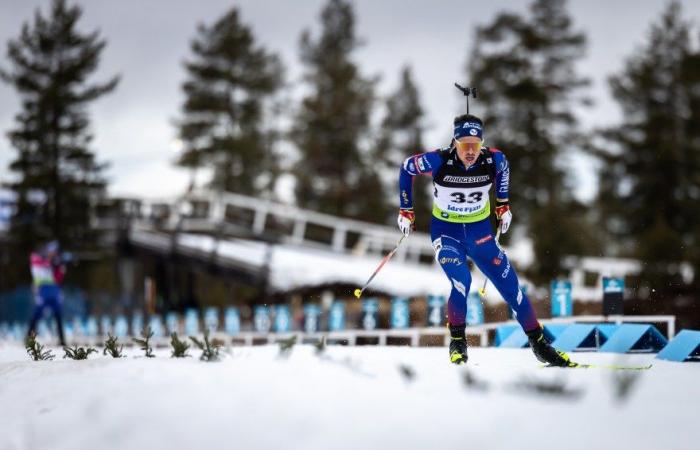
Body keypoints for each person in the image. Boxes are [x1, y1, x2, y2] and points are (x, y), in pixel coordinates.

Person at [397, 113, 574, 366]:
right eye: (464, 145)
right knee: (462, 281)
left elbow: (504, 170)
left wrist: (503, 204)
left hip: (480, 234)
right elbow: (406, 168)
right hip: (448, 234)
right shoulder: (438, 160)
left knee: (512, 288)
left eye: (475, 145)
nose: (470, 151)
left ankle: (539, 344)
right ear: (454, 143)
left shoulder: (494, 160)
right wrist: (406, 210)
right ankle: (458, 341)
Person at [27, 240, 67, 345]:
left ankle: (62, 340)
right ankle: (29, 338)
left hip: (53, 291)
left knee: (57, 316)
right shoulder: (37, 258)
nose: (54, 253)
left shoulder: (54, 263)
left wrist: (61, 269)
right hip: (42, 292)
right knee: (37, 316)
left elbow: (58, 279)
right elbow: (37, 261)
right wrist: (54, 262)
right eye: (52, 251)